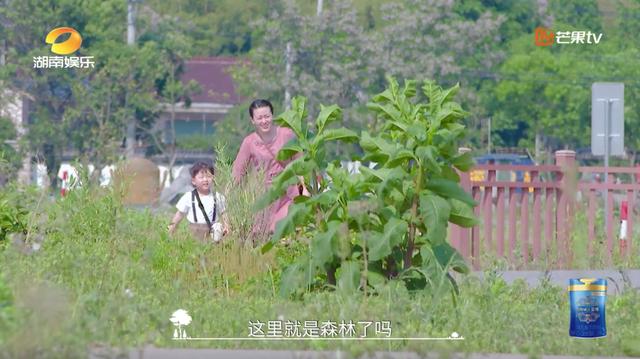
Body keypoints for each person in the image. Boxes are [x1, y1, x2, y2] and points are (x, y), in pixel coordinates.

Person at [232, 99, 306, 236]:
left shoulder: (287, 134)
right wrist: (227, 201)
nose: (264, 121)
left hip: (288, 193)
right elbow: (237, 173)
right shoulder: (249, 142)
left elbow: (300, 164)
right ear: (252, 120)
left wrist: (305, 189)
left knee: (279, 229)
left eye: (267, 116)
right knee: (262, 235)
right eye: (259, 118)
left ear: (272, 115)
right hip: (265, 197)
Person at [168, 162, 229, 242]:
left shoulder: (218, 197)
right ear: (193, 181)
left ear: (213, 178)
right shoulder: (188, 197)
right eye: (201, 177)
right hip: (194, 233)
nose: (205, 179)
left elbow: (223, 213)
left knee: (214, 241)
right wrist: (171, 229)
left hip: (212, 233)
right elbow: (179, 214)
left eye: (208, 176)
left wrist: (227, 226)